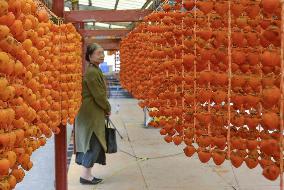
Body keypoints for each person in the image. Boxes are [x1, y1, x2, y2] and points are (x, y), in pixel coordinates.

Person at [75, 43, 111, 185]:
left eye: (103, 52)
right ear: (90, 56)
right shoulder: (92, 73)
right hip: (90, 113)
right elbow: (99, 95)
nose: (102, 55)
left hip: (92, 112)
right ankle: (85, 176)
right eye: (98, 53)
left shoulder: (95, 70)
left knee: (92, 142)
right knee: (93, 142)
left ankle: (87, 174)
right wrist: (107, 107)